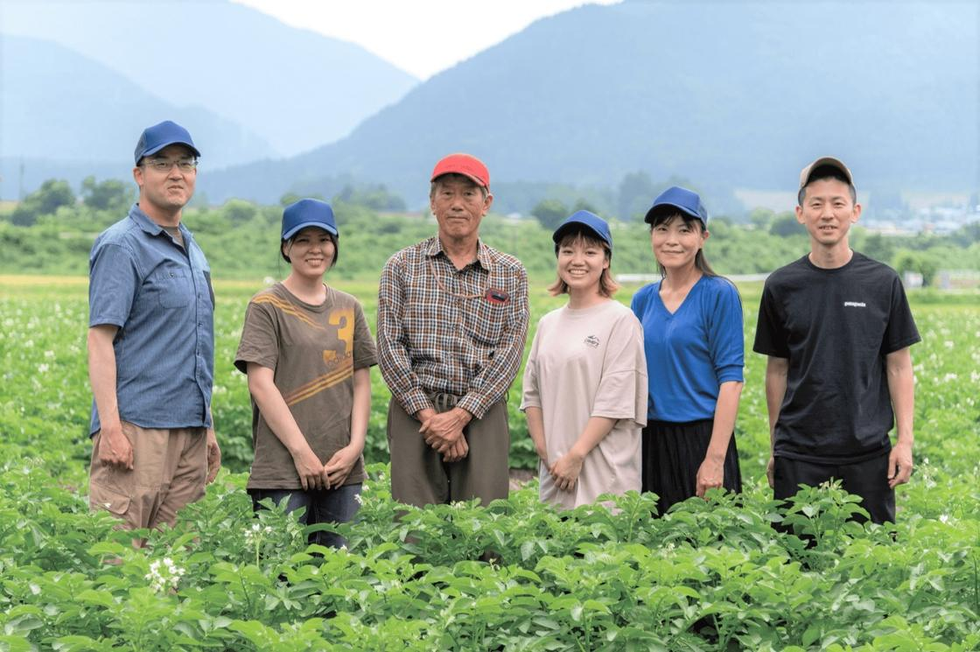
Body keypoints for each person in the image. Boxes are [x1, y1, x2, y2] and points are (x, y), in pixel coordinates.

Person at [754, 157, 919, 524]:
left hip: (868, 453)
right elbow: (777, 371)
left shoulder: (882, 282)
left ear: (855, 211)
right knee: (798, 570)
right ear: (800, 213)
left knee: (871, 565)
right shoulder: (781, 286)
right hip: (799, 454)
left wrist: (904, 441)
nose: (827, 213)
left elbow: (899, 365)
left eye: (837, 203)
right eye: (816, 204)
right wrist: (776, 447)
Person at [87, 120, 221, 534]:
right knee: (118, 566)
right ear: (139, 175)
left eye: (185, 163)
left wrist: (208, 426)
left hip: (190, 433)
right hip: (137, 429)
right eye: (162, 163)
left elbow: (194, 345)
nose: (176, 173)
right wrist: (111, 428)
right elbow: (100, 340)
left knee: (176, 567)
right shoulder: (121, 245)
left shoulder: (192, 249)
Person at [377, 153, 529, 507]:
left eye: (468, 194)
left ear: (486, 203)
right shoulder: (401, 266)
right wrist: (431, 418)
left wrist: (461, 416)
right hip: (415, 411)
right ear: (432, 203)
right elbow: (389, 346)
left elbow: (509, 354)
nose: (457, 204)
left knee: (484, 529)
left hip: (482, 412)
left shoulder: (510, 272)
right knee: (414, 529)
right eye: (447, 194)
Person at [235, 199, 376, 548]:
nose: (315, 249)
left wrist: (355, 447)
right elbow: (260, 383)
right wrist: (301, 452)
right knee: (281, 577)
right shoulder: (266, 305)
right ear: (286, 248)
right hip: (282, 468)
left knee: (339, 577)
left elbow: (361, 382)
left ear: (335, 245)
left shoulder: (349, 306)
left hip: (341, 466)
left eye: (324, 240)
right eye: (302, 240)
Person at [630, 186, 744, 516]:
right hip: (652, 439)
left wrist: (714, 460)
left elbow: (731, 381)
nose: (672, 240)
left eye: (684, 229)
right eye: (662, 229)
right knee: (656, 549)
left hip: (702, 438)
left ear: (703, 237)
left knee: (708, 550)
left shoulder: (719, 294)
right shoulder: (643, 300)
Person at [521, 211, 647, 509]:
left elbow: (615, 399)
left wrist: (576, 455)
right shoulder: (549, 323)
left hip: (603, 475)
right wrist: (546, 451)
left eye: (590, 251)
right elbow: (532, 393)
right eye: (568, 251)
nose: (577, 260)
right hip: (555, 473)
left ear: (606, 260)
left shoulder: (621, 320)